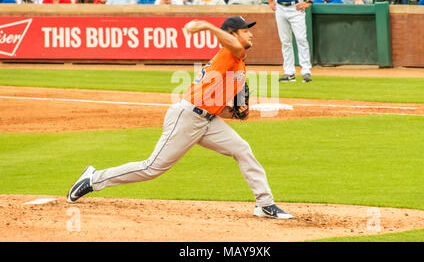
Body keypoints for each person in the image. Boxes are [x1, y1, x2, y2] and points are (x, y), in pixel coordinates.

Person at [67, 15, 294, 220]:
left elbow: (216, 106)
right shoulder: (231, 52)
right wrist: (206, 25)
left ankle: (264, 204)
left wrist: (237, 113)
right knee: (152, 168)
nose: (251, 33)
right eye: (245, 30)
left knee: (242, 149)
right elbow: (232, 45)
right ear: (233, 34)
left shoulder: (237, 64)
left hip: (207, 120)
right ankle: (94, 178)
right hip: (186, 117)